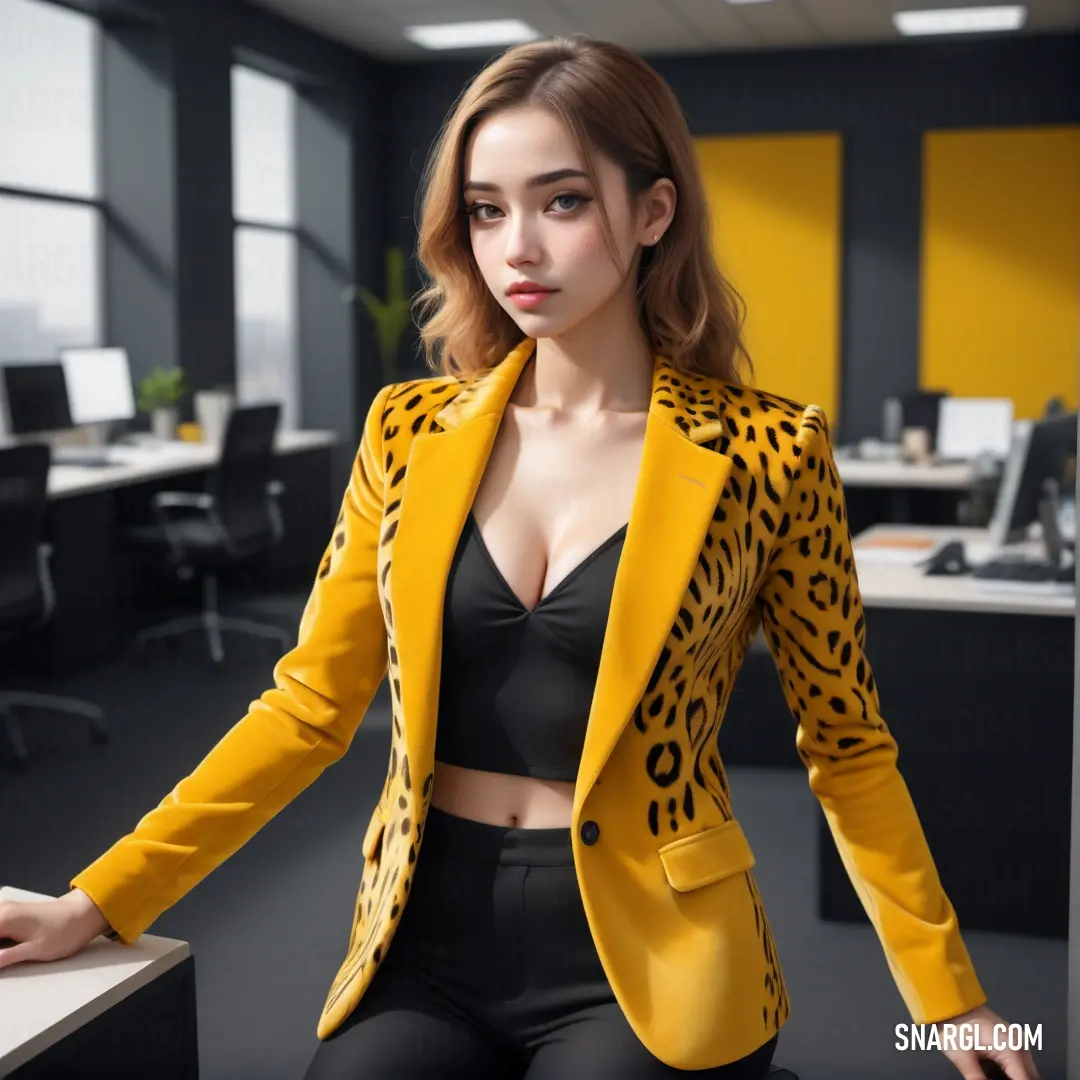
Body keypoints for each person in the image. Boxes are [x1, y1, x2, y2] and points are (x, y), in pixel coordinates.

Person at [0, 36, 1040, 1080]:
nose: (517, 249)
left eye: (564, 202)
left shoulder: (769, 454)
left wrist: (951, 999)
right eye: (488, 209)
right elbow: (308, 706)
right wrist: (100, 898)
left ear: (653, 213)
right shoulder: (409, 431)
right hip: (426, 928)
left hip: (656, 939)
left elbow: (848, 744)